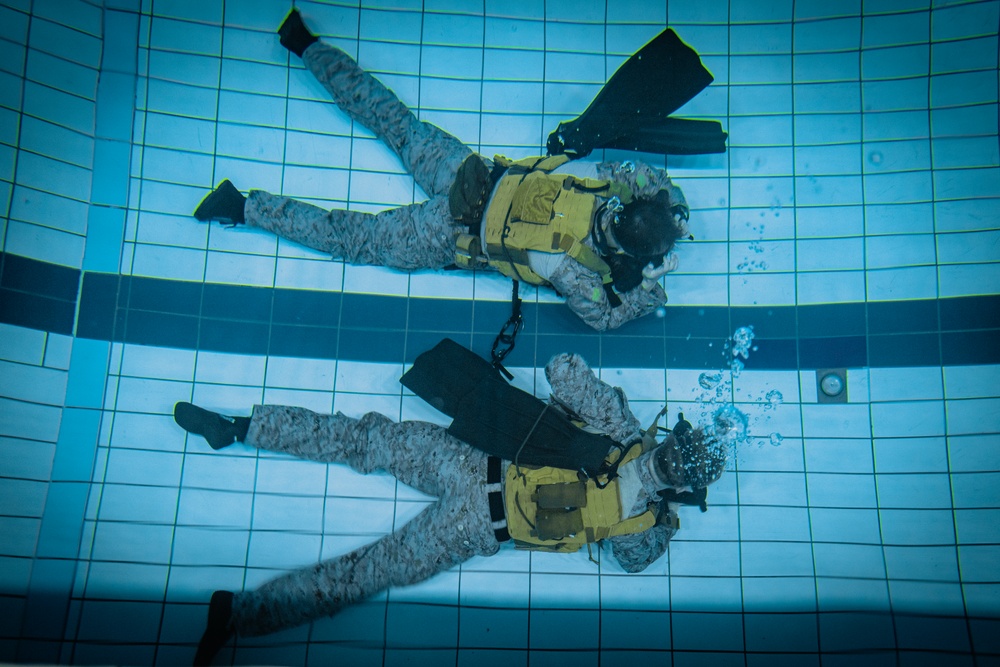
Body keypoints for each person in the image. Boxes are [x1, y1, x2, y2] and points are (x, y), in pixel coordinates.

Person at [175, 350, 727, 664]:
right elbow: (563, 368)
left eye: (677, 471)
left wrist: (660, 517)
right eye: (673, 452)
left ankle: (238, 615)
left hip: (473, 527)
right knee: (366, 440)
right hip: (471, 461)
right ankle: (241, 427)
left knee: (367, 572)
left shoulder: (644, 525)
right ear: (670, 438)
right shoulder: (623, 431)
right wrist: (613, 425)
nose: (665, 464)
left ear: (682, 488)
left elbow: (635, 559)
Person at [193, 9, 695, 332]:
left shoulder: (606, 183)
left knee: (394, 120)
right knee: (351, 237)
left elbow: (649, 178)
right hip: (448, 233)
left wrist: (673, 209)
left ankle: (306, 46)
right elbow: (604, 317)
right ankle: (241, 206)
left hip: (469, 174)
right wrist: (646, 286)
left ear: (626, 208)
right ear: (629, 251)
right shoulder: (574, 269)